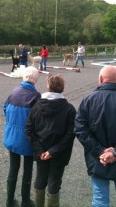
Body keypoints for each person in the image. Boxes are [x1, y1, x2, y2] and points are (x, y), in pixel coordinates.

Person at [74, 65, 116, 207]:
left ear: (100, 79)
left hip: (98, 159)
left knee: (100, 199)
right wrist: (115, 152)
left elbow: (80, 129)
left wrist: (100, 151)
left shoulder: (88, 100)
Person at [26, 74, 76, 207]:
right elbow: (70, 134)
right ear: (62, 87)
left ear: (48, 86)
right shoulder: (69, 109)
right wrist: (53, 151)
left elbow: (29, 129)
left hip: (41, 152)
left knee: (40, 179)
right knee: (54, 183)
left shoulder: (36, 106)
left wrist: (40, 150)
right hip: (59, 154)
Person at [3, 66, 41, 207]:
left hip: (12, 137)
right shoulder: (36, 96)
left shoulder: (13, 92)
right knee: (27, 170)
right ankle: (25, 200)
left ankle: (9, 200)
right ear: (35, 79)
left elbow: (5, 109)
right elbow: (39, 120)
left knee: (13, 169)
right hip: (27, 140)